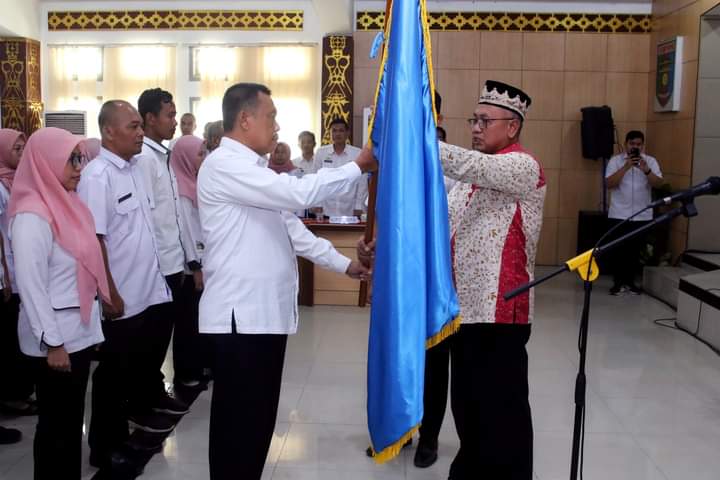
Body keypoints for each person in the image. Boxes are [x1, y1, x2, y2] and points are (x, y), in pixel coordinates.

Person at [359, 81, 545, 480]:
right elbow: (432, 228)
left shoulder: (521, 165)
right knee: (470, 410)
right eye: (473, 120)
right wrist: (387, 249)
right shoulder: (463, 182)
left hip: (501, 315)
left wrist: (409, 134)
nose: (476, 128)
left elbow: (470, 163)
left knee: (502, 415)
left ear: (512, 127)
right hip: (462, 313)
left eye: (485, 121)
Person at [197, 82, 376, 480]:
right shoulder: (226, 165)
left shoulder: (253, 172)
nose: (276, 126)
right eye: (271, 117)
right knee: (237, 429)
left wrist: (345, 265)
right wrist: (357, 166)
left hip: (264, 319)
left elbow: (293, 231)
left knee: (258, 424)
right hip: (239, 321)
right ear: (245, 120)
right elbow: (298, 193)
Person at [79, 100, 175, 470]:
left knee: (130, 369)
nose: (139, 133)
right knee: (111, 375)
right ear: (108, 131)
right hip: (120, 294)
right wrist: (109, 292)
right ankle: (102, 446)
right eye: (132, 126)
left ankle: (121, 437)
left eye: (140, 126)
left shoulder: (135, 168)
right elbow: (95, 239)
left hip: (145, 289)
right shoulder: (97, 176)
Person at [10, 127, 111, 479]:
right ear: (46, 162)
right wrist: (53, 342)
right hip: (55, 339)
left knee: (69, 423)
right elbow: (32, 286)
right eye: (70, 160)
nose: (78, 167)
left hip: (77, 333)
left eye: (79, 158)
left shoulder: (68, 204)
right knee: (55, 426)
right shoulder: (32, 215)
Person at [136, 88, 197, 405]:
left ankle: (153, 392)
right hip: (157, 266)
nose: (175, 122)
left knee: (162, 336)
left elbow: (173, 214)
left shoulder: (162, 154)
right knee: (153, 338)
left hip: (173, 263)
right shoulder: (144, 160)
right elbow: (145, 218)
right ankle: (145, 398)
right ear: (150, 118)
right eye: (170, 116)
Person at [0, 128, 37, 417]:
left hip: (15, 271)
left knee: (13, 339)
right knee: (6, 342)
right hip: (5, 276)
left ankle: (18, 392)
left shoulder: (16, 182)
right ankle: (10, 397)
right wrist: (5, 277)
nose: (22, 154)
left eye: (25, 148)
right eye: (16, 149)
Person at [169, 134, 208, 389]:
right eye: (199, 153)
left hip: (199, 263)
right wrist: (195, 266)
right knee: (187, 322)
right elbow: (187, 231)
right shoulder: (181, 190)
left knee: (197, 319)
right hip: (187, 268)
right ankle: (186, 372)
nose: (203, 158)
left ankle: (198, 365)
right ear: (184, 157)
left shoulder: (193, 183)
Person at [605, 130, 663, 295]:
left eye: (639, 144)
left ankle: (631, 282)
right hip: (619, 213)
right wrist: (626, 166)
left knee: (635, 250)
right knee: (618, 250)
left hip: (642, 214)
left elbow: (658, 184)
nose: (635, 147)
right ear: (626, 144)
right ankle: (618, 282)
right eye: (632, 144)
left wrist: (646, 170)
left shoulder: (650, 161)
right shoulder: (616, 161)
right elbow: (609, 183)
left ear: (643, 146)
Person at [313, 118, 368, 217]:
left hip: (349, 209)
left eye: (341, 131)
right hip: (325, 208)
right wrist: (317, 203)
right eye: (334, 131)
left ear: (347, 133)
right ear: (330, 133)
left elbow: (362, 182)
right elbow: (315, 179)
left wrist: (359, 206)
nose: (337, 134)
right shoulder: (321, 152)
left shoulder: (357, 153)